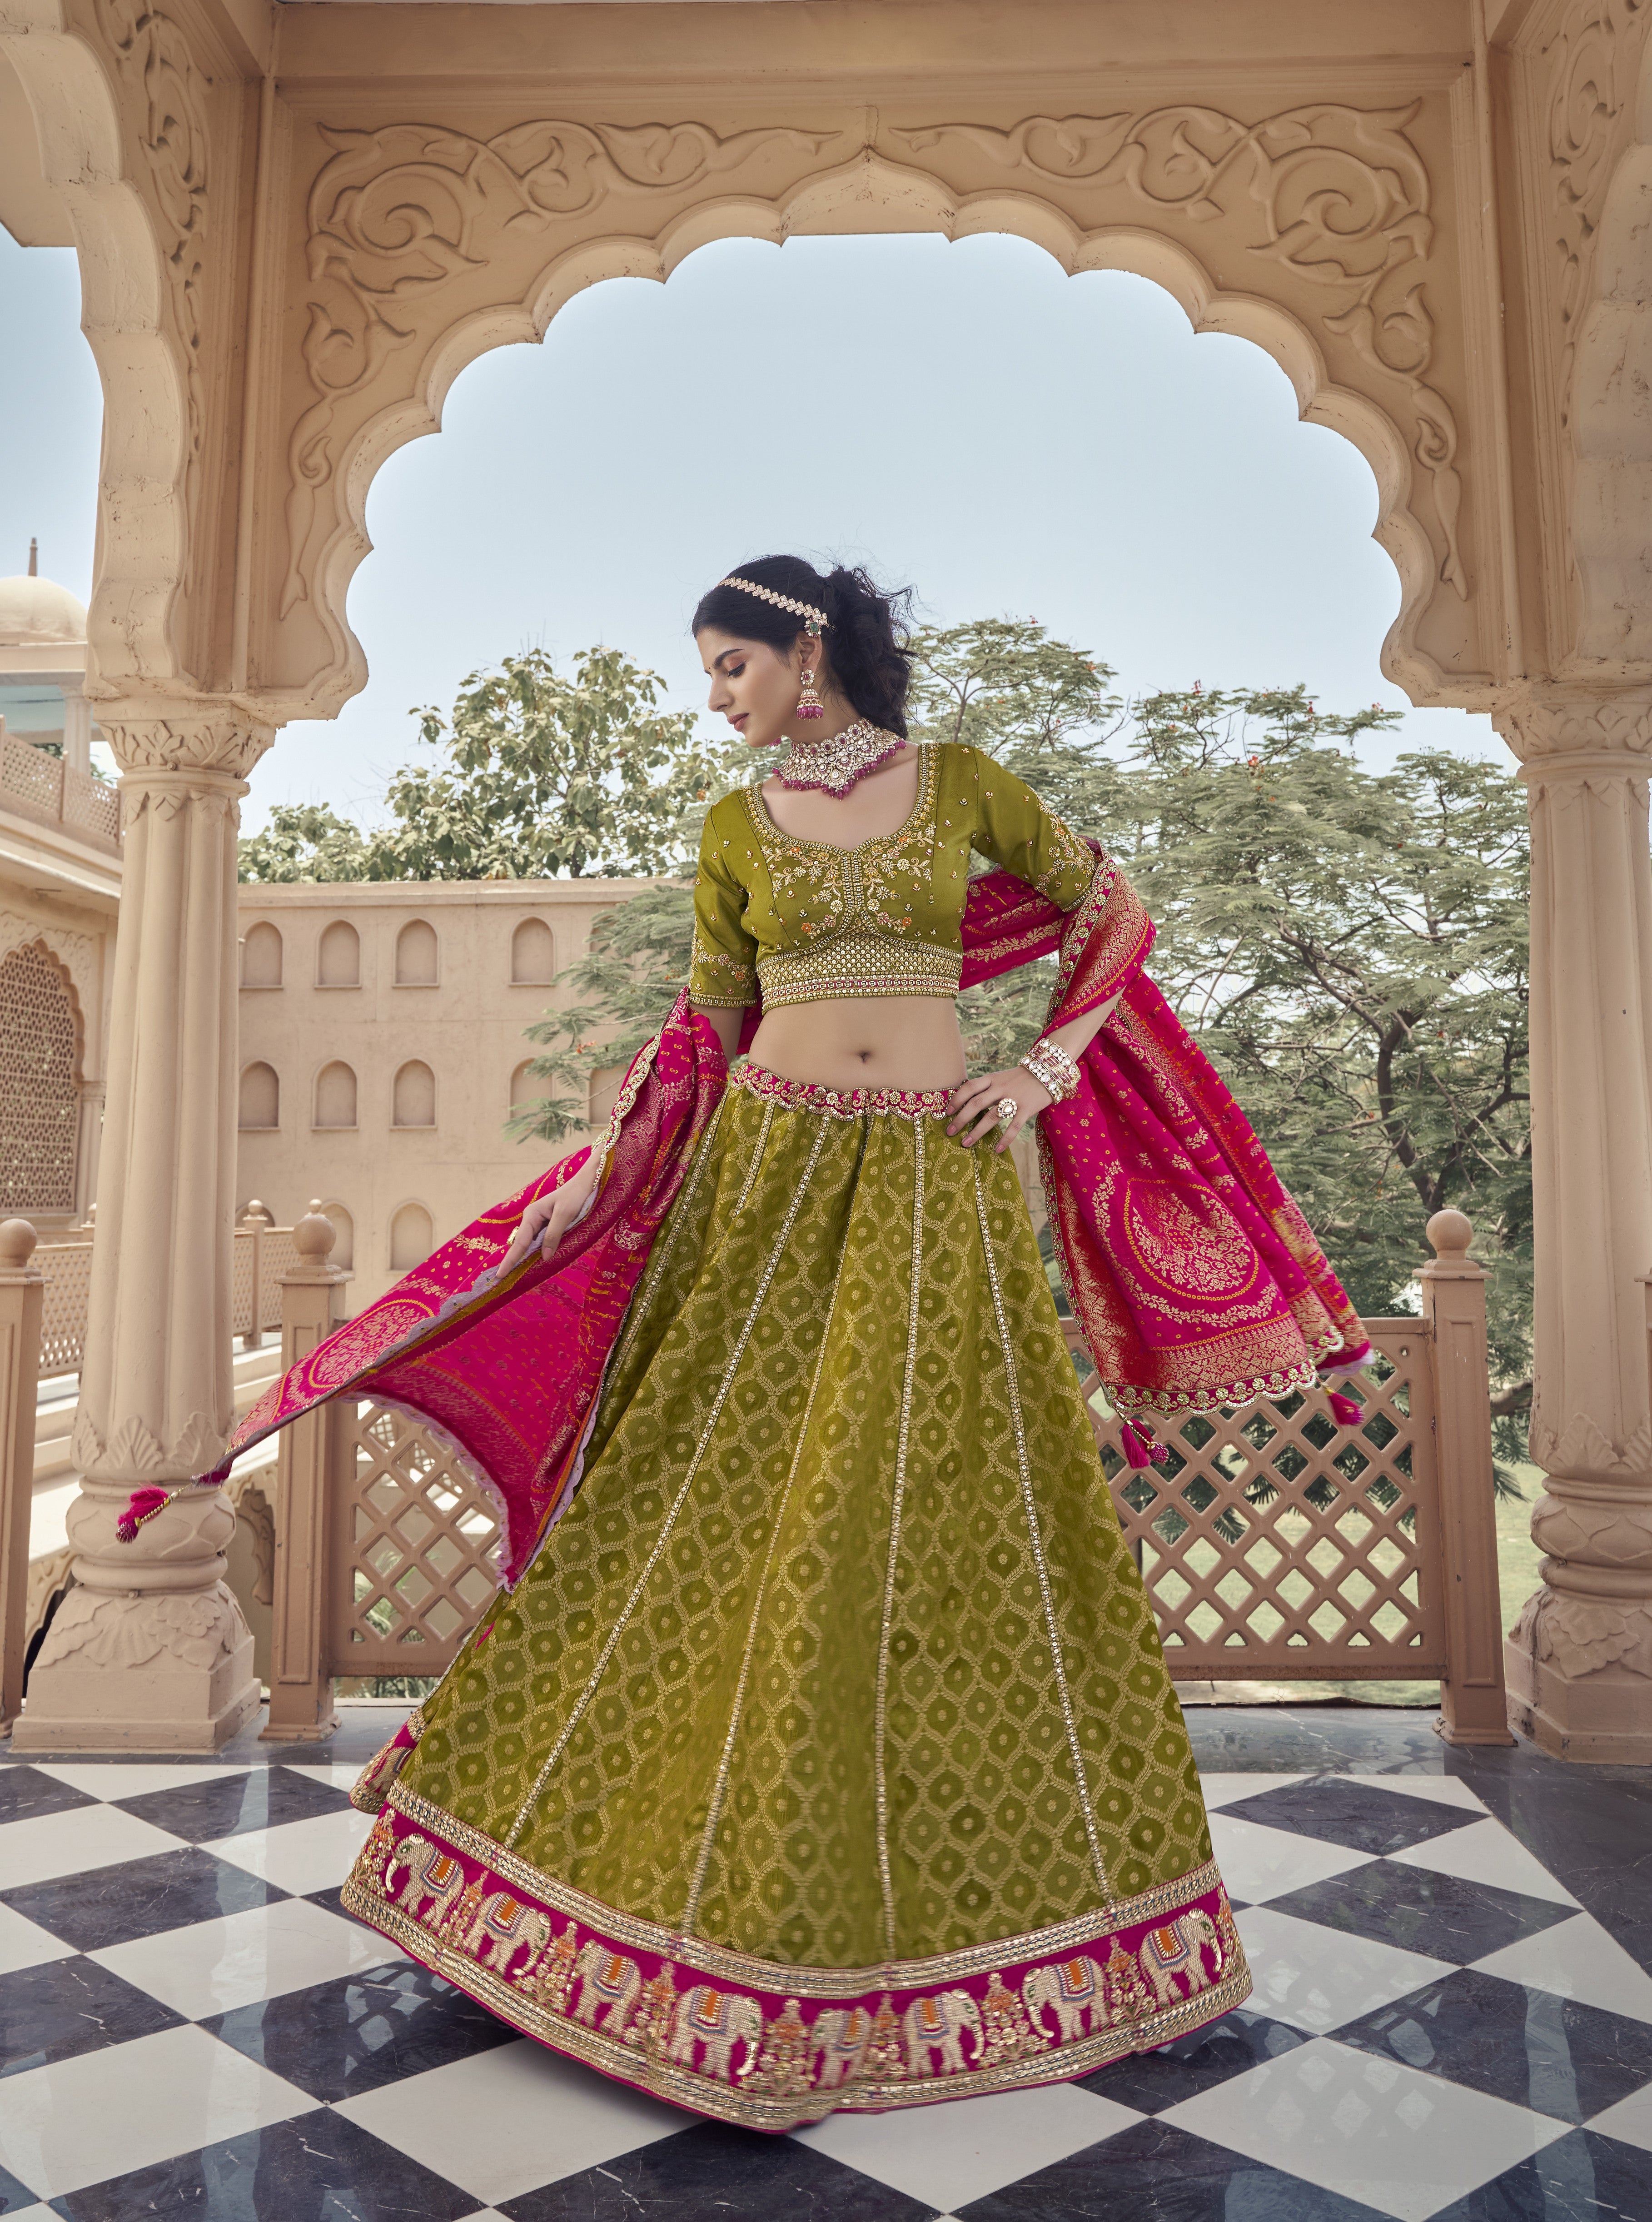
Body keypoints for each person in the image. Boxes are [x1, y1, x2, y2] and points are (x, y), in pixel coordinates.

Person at [152, 556, 1368, 2131]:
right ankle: (627, 1904)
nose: (716, 697)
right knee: (704, 1497)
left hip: (934, 1183)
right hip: (771, 1176)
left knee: (942, 1515)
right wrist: (593, 1177)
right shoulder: (735, 828)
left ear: (809, 650)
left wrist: (1052, 1062)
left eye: (733, 665)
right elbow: (706, 1029)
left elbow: (1113, 905)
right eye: (710, 672)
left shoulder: (961, 787)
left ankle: (977, 1934)